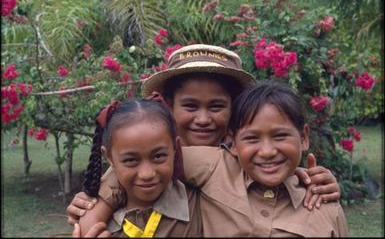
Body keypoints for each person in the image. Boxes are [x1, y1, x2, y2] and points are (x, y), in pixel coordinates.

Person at [67, 44, 340, 228]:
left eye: (217, 106)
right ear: (167, 105)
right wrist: (96, 209)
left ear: (234, 112)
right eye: (190, 106)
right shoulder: (143, 169)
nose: (203, 119)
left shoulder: (243, 165)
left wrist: (306, 178)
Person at [181, 80, 349, 236]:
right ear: (233, 142)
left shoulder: (325, 210)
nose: (267, 152)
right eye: (252, 138)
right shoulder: (215, 167)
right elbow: (159, 157)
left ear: (304, 137)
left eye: (280, 136)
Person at [77, 99, 202, 237]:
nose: (147, 174)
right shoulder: (99, 227)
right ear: (109, 157)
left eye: (159, 156)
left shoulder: (198, 203)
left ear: (175, 147)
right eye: (131, 160)